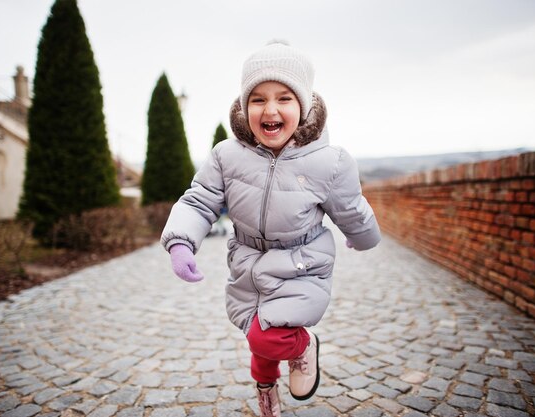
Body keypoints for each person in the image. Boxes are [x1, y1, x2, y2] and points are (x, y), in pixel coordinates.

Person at [161, 40, 381, 417]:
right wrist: (181, 242)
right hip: (247, 264)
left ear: (305, 106)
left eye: (284, 98)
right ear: (244, 107)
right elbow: (199, 200)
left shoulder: (330, 162)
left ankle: (302, 346)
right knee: (255, 335)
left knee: (269, 332)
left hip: (303, 263)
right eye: (258, 99)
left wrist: (363, 237)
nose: (270, 109)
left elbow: (350, 208)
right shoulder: (225, 156)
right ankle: (266, 387)